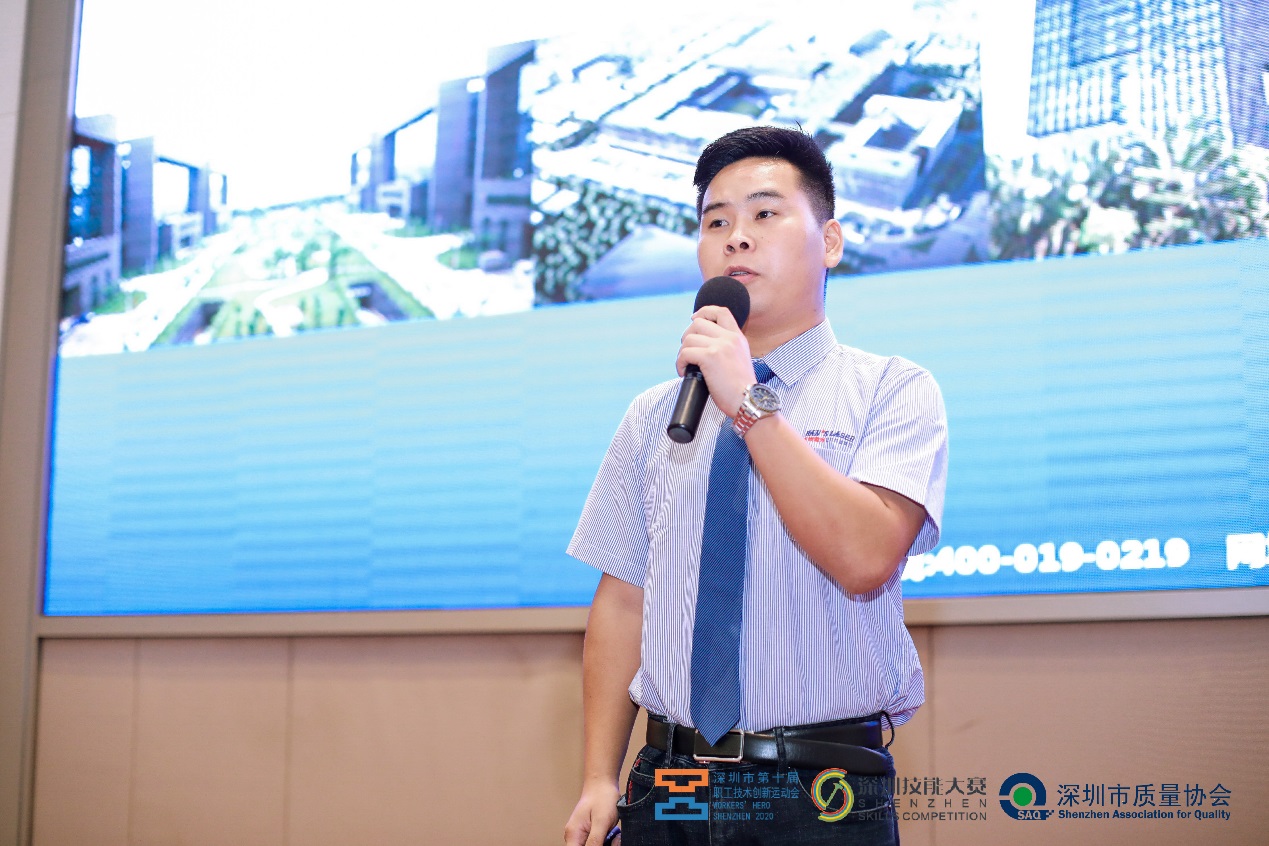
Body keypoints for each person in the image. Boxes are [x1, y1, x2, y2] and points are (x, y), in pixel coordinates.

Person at [563, 126, 948, 846]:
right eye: (716, 222)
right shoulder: (655, 414)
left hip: (819, 784)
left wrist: (747, 400)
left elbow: (865, 558)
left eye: (765, 213)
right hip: (670, 780)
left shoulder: (889, 388)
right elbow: (622, 601)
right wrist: (597, 777)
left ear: (829, 241)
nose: (736, 237)